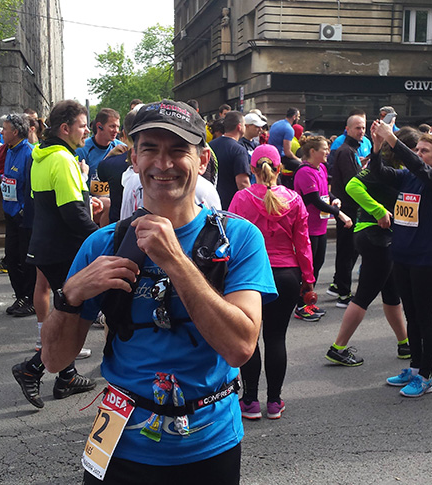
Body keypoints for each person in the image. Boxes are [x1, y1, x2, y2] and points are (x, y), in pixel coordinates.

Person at [41, 99, 276, 484]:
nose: (163, 163)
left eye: (178, 150)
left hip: (210, 443)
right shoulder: (102, 245)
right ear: (134, 159)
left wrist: (176, 261)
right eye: (150, 149)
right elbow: (55, 360)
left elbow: (240, 348)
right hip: (119, 444)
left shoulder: (238, 237)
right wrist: (70, 295)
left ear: (202, 160)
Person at [12, 100, 99, 409]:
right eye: (82, 125)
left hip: (46, 246)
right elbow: (73, 214)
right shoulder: (63, 159)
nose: (87, 130)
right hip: (64, 250)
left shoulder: (41, 155)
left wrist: (85, 193)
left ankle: (67, 376)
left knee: (68, 311)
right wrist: (103, 239)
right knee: (71, 317)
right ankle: (31, 369)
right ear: (65, 128)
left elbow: (50, 204)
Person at [229, 144, 314, 420]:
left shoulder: (241, 198)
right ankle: (274, 401)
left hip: (250, 275)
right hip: (287, 274)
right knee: (276, 337)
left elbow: (230, 240)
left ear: (252, 168)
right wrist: (308, 279)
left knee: (249, 338)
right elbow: (303, 243)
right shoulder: (294, 199)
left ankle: (250, 400)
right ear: (280, 169)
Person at [325, 128, 419, 366]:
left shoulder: (394, 167)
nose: (417, 154)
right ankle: (338, 348)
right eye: (415, 149)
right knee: (364, 295)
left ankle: (404, 343)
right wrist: (378, 210)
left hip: (380, 236)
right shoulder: (383, 165)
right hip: (374, 235)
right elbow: (352, 186)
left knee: (391, 293)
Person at [370, 121, 432, 398]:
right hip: (402, 256)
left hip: (425, 259)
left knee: (425, 317)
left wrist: (393, 139)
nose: (418, 154)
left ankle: (426, 376)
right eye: (417, 149)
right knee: (411, 316)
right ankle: (415, 368)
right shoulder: (407, 177)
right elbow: (379, 173)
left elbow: (417, 166)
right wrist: (377, 147)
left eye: (424, 151)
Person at [293, 136, 352, 321]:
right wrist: (340, 214)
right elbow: (314, 200)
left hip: (320, 227)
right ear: (313, 151)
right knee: (307, 268)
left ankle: (308, 301)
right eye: (325, 149)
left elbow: (325, 192)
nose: (328, 152)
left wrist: (334, 198)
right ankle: (300, 305)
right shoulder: (304, 172)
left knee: (317, 265)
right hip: (307, 228)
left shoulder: (321, 168)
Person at [0, 114, 37, 317]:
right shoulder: (9, 150)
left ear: (15, 132)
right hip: (10, 213)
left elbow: (31, 186)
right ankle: (21, 295)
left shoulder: (28, 153)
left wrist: (23, 210)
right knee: (11, 258)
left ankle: (30, 299)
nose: (1, 132)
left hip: (23, 217)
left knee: (25, 260)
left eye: (4, 129)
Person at [328, 114, 367, 308]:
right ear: (348, 129)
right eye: (358, 128)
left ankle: (338, 284)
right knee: (347, 250)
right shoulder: (345, 151)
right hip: (348, 207)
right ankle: (343, 292)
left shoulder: (351, 150)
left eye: (363, 128)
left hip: (350, 206)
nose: (361, 131)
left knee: (351, 249)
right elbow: (353, 181)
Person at [212, 110, 250, 209]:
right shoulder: (239, 150)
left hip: (211, 201)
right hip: (231, 205)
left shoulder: (210, 146)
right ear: (239, 127)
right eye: (244, 125)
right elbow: (243, 183)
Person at [268, 107, 301, 188]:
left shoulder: (276, 124)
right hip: (280, 157)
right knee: (301, 166)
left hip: (271, 155)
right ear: (294, 117)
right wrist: (298, 159)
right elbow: (287, 152)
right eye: (298, 117)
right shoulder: (289, 129)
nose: (299, 119)